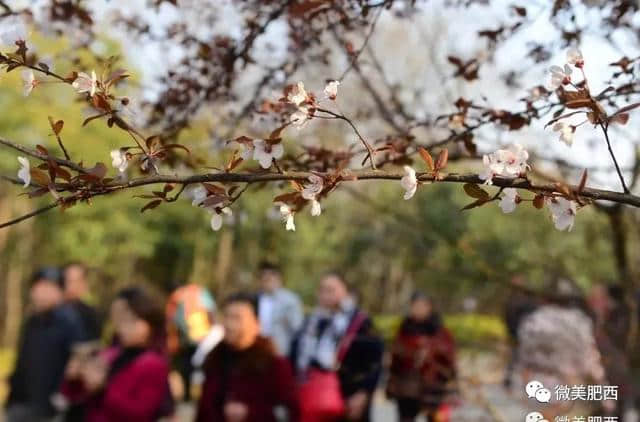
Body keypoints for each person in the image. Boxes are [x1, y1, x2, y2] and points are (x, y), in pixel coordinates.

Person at [61, 287, 173, 422]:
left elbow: (140, 413)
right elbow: (76, 396)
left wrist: (104, 389)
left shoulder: (154, 364)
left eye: (129, 319)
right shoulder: (111, 354)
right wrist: (75, 378)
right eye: (118, 319)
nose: (122, 327)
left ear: (147, 321)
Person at [291, 272, 384, 422]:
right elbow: (296, 353)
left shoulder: (360, 322)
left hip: (349, 394)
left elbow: (374, 362)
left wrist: (363, 393)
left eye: (331, 290)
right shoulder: (311, 321)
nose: (326, 295)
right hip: (313, 393)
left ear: (345, 291)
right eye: (322, 290)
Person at [196, 292, 299, 422]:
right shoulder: (215, 360)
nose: (229, 324)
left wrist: (251, 412)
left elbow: (289, 412)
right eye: (226, 317)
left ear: (257, 324)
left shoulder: (274, 365)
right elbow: (203, 410)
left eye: (237, 318)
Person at [6, 268, 84, 422]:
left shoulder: (70, 322)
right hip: (20, 404)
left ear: (60, 292)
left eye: (49, 287)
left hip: (50, 410)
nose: (42, 293)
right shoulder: (32, 322)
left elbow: (77, 365)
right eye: (39, 287)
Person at [386, 292, 456, 422]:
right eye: (415, 306)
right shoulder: (404, 329)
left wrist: (431, 352)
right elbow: (395, 359)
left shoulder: (440, 332)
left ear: (429, 307)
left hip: (433, 389)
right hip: (407, 388)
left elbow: (450, 359)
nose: (418, 309)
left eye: (421, 306)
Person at [165, 282, 217, 401]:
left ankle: (188, 395)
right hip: (203, 335)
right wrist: (213, 327)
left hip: (187, 337)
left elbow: (174, 319)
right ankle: (199, 394)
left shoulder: (176, 297)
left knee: (187, 367)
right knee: (200, 366)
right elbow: (211, 310)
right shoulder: (200, 292)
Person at [257, 261, 304, 356]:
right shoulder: (256, 299)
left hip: (281, 350)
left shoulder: (291, 300)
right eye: (264, 278)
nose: (267, 281)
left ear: (278, 278)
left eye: (270, 278)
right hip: (258, 349)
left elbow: (297, 327)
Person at [63, 262, 101, 341]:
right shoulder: (49, 314)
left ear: (85, 284)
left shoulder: (91, 315)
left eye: (76, 281)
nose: (71, 286)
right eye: (68, 280)